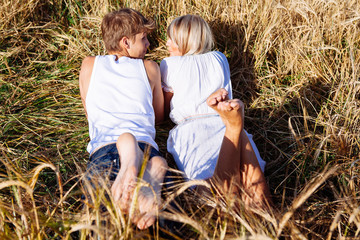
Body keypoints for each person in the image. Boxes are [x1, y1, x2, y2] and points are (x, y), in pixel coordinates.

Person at [160, 15, 271, 206]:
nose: (167, 42)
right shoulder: (219, 58)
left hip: (193, 130)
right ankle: (236, 128)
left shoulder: (169, 64)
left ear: (185, 41)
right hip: (220, 118)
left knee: (209, 193)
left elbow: (164, 106)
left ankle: (235, 128)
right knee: (248, 184)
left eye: (171, 38)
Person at [79, 8, 168, 229]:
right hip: (146, 147)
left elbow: (91, 113)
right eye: (144, 38)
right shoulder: (150, 68)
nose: (149, 44)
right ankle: (153, 170)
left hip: (104, 149)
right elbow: (158, 116)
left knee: (100, 224)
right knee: (157, 226)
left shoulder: (89, 65)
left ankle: (131, 161)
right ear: (126, 42)